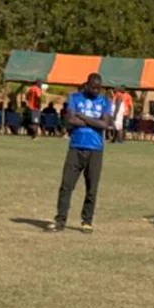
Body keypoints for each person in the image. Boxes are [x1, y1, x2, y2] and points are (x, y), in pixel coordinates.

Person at [46, 73, 114, 233]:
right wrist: (94, 122)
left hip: (95, 149)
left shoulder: (105, 101)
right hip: (76, 148)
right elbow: (70, 119)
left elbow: (105, 124)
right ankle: (60, 220)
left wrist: (83, 117)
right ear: (87, 85)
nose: (96, 91)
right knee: (66, 186)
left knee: (92, 188)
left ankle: (87, 221)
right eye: (93, 88)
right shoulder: (75, 97)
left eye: (98, 88)